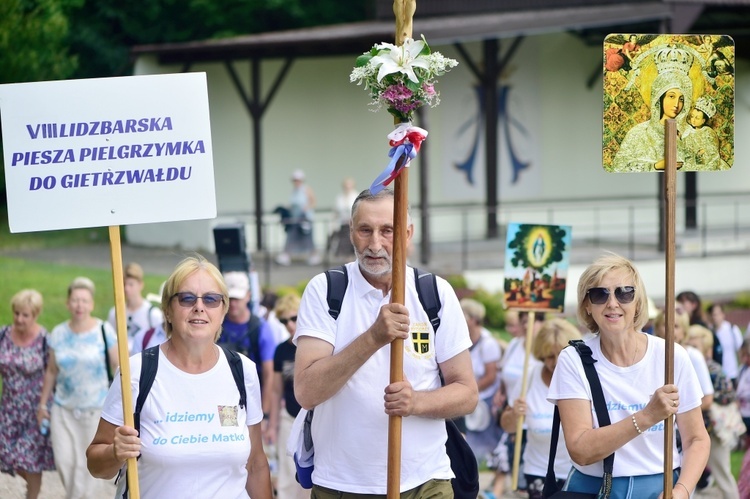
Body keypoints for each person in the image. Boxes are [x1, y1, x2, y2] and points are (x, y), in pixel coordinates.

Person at [293, 188, 478, 496]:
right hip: (342, 485)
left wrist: (417, 402)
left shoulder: (435, 293)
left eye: (387, 230)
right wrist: (372, 338)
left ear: (408, 233)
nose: (375, 244)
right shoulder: (325, 290)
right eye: (365, 230)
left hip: (426, 483)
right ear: (351, 232)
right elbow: (307, 391)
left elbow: (467, 394)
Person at [86, 255, 273, 499]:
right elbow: (95, 463)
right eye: (186, 298)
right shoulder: (137, 372)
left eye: (211, 299)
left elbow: (256, 464)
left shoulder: (243, 370)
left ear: (223, 309)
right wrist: (114, 452)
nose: (199, 307)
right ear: (168, 310)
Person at [548, 253, 709, 498]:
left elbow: (697, 439)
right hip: (592, 488)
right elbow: (580, 449)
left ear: (638, 302)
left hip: (660, 487)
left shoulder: (670, 356)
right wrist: (647, 416)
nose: (612, 303)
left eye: (624, 292)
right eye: (599, 294)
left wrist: (681, 492)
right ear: (587, 306)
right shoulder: (573, 359)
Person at [37, 276, 119, 498]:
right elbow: (52, 371)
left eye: (84, 300)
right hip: (63, 410)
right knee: (65, 463)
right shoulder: (59, 333)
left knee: (86, 469)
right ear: (68, 303)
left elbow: (119, 367)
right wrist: (43, 404)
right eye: (75, 300)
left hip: (95, 411)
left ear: (91, 304)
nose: (79, 305)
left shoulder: (104, 331)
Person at [500, 318, 581, 499]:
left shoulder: (584, 377)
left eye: (561, 354)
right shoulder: (529, 377)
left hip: (578, 473)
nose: (555, 362)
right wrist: (514, 414)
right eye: (549, 356)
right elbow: (507, 426)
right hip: (539, 471)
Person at [0, 290, 55, 499]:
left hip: (36, 409)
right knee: (5, 455)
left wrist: (43, 407)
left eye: (25, 315)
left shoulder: (44, 340)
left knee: (30, 460)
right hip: (9, 408)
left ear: (35, 315)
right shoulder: (3, 335)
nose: (19, 319)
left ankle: (31, 496)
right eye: (16, 313)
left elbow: (52, 372)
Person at [612, 45, 693, 172]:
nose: (677, 104)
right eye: (671, 96)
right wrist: (655, 166)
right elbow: (618, 166)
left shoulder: (691, 133)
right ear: (659, 98)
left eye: (681, 99)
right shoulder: (638, 133)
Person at [685, 325, 741, 499]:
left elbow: (727, 395)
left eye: (696, 346)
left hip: (714, 432)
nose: (692, 350)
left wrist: (703, 399)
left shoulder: (712, 369)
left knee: (723, 476)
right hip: (701, 429)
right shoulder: (691, 367)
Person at [218, 271, 277, 417]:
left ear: (248, 296)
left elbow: (269, 373)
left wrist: (265, 413)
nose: (233, 303)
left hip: (252, 398)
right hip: (223, 397)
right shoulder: (216, 325)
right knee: (228, 435)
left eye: (237, 298)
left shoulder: (261, 328)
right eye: (229, 298)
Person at [267, 293, 309, 499]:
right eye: (284, 321)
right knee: (286, 477)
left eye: (294, 318)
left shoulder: (315, 344)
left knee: (312, 478)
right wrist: (272, 425)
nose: (290, 325)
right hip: (288, 418)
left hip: (314, 418)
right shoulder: (281, 350)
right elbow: (275, 391)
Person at [460, 298, 502, 464]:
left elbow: (491, 376)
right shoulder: (463, 338)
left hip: (484, 398)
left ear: (473, 319)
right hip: (469, 394)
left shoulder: (488, 343)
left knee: (484, 442)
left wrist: (467, 389)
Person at [107, 262, 163, 354]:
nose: (126, 288)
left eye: (131, 284)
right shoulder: (115, 313)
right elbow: (110, 340)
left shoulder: (153, 314)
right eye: (124, 284)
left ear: (140, 285)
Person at [276, 169, 321, 266]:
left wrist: (306, 207)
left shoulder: (306, 189)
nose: (296, 182)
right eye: (295, 180)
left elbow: (313, 202)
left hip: (305, 219)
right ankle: (286, 255)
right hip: (294, 219)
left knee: (308, 238)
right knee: (291, 237)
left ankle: (313, 255)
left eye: (298, 180)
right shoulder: (294, 191)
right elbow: (293, 205)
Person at [681, 96, 730, 171]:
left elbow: (713, 150)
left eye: (697, 118)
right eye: (692, 116)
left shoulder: (708, 131)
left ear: (703, 120)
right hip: (692, 162)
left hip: (708, 161)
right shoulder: (688, 131)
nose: (693, 120)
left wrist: (703, 152)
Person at [708, 303, 743, 386]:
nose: (715, 317)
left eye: (717, 314)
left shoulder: (732, 329)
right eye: (712, 315)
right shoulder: (709, 332)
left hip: (732, 374)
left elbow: (741, 351)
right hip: (716, 376)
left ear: (723, 314)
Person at [331, 176, 357, 257]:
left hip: (353, 225)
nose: (347, 188)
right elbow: (335, 212)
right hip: (342, 224)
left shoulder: (356, 196)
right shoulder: (339, 198)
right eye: (346, 186)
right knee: (342, 247)